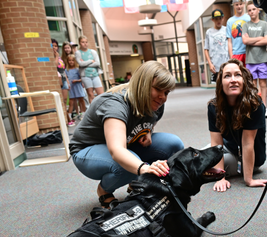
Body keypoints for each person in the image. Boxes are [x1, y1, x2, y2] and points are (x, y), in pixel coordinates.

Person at [69, 61, 185, 208]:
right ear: (142, 84)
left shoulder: (156, 104)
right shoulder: (114, 103)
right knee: (127, 163)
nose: (163, 97)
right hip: (87, 151)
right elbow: (117, 150)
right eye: (158, 89)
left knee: (174, 144)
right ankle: (104, 190)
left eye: (166, 92)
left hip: (128, 143)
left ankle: (135, 182)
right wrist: (144, 169)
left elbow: (148, 122)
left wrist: (148, 131)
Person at [207, 58, 267, 192]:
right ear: (220, 83)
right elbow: (216, 143)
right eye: (227, 76)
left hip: (250, 157)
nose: (233, 80)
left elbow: (247, 144)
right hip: (229, 147)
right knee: (199, 158)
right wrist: (220, 178)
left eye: (237, 75)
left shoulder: (255, 104)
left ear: (244, 80)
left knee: (205, 166)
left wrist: (249, 180)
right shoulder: (214, 106)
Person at [242, 0, 267, 118]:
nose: (252, 12)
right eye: (249, 10)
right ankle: (255, 107)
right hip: (250, 60)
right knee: (253, 85)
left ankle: (264, 108)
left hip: (262, 59)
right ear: (247, 12)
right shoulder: (245, 25)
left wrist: (251, 40)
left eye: (254, 9)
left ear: (258, 10)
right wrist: (260, 38)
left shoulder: (264, 24)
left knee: (263, 84)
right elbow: (245, 41)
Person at [75, 35, 104, 104]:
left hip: (95, 75)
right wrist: (91, 61)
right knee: (91, 94)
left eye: (86, 42)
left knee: (101, 94)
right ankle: (93, 109)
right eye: (83, 42)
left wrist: (85, 64)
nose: (85, 44)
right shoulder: (78, 53)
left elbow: (97, 63)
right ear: (79, 43)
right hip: (85, 76)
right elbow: (81, 64)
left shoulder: (93, 52)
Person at [204, 9, 229, 83]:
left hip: (226, 63)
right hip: (215, 65)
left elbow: (230, 45)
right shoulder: (209, 32)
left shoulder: (226, 30)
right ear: (212, 20)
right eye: (216, 19)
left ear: (223, 18)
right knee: (217, 85)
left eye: (220, 18)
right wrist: (210, 64)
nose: (218, 21)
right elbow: (206, 49)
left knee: (226, 83)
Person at [52, 39, 71, 123]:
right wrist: (56, 56)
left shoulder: (59, 57)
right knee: (61, 100)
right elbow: (54, 66)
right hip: (58, 80)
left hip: (64, 79)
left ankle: (67, 118)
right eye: (52, 45)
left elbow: (63, 70)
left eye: (56, 46)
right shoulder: (53, 57)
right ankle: (65, 119)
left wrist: (67, 81)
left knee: (65, 100)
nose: (54, 47)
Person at [226, 0, 250, 65]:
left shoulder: (249, 18)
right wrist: (231, 56)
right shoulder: (230, 21)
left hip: (248, 52)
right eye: (236, 4)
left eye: (240, 4)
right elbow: (229, 41)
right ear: (233, 5)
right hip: (236, 53)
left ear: (244, 4)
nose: (239, 6)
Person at [65, 54, 87, 121]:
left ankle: (83, 114)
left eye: (72, 60)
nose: (71, 62)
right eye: (69, 60)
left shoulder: (78, 69)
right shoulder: (66, 70)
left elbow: (82, 78)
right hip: (71, 87)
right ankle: (69, 117)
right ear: (67, 61)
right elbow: (66, 78)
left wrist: (77, 81)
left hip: (78, 86)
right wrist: (68, 84)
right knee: (71, 102)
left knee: (81, 100)